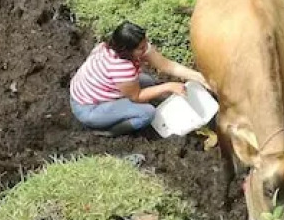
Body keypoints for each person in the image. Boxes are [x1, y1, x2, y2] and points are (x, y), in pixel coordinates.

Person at [69, 22, 208, 135]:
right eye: (141, 48)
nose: (146, 48)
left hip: (93, 92)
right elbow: (136, 96)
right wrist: (168, 86)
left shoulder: (107, 47)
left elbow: (167, 66)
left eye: (145, 42)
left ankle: (119, 105)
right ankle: (108, 131)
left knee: (147, 81)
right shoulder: (121, 67)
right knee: (147, 113)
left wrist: (201, 78)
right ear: (127, 50)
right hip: (89, 109)